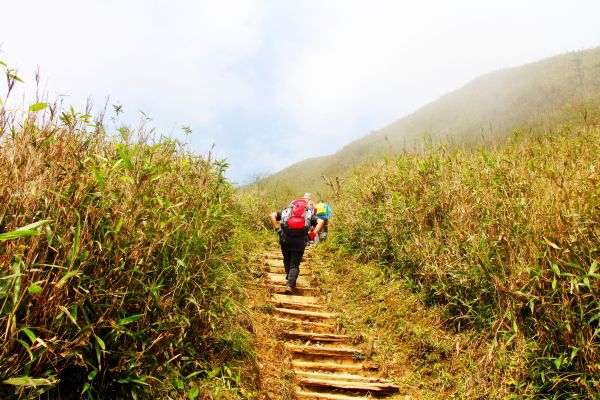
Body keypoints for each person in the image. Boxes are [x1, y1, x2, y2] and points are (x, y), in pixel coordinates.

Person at [269, 197, 324, 294]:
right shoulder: (308, 214)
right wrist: (312, 234)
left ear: (292, 205)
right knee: (295, 264)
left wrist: (278, 230)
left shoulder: (286, 211)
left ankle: (289, 278)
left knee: (287, 259)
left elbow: (271, 216)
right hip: (300, 241)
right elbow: (321, 222)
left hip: (285, 239)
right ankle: (290, 284)